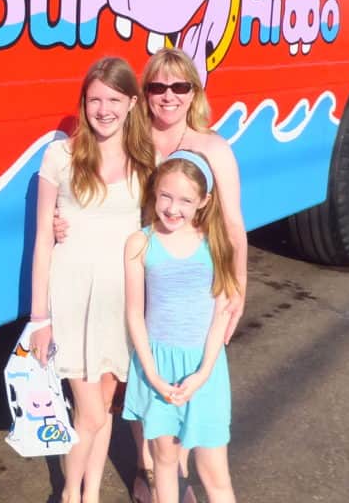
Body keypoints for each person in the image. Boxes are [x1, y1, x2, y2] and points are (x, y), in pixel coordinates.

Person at [56, 47, 247, 502]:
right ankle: (149, 474)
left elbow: (234, 226)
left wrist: (238, 288)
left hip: (186, 285)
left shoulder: (212, 148)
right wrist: (60, 220)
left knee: (182, 389)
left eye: (180, 86)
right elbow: (96, 188)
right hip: (137, 274)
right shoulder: (135, 142)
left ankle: (174, 481)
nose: (168, 96)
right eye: (158, 86)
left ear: (193, 93)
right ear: (145, 94)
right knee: (141, 381)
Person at [29, 56, 154, 503]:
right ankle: (68, 495)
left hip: (120, 302)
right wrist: (38, 318)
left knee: (100, 410)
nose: (104, 109)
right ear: (83, 103)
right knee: (92, 415)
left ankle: (90, 495)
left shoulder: (144, 159)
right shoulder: (60, 156)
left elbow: (160, 225)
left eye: (114, 99)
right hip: (73, 300)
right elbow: (44, 239)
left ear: (132, 103)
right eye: (95, 99)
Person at [122, 150, 239, 503]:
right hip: (156, 367)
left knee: (214, 471)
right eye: (166, 196)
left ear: (203, 201)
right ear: (154, 192)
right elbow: (134, 315)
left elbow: (221, 312)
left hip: (206, 369)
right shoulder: (140, 243)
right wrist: (153, 375)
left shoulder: (215, 243)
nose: (174, 208)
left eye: (186, 200)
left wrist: (203, 373)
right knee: (165, 461)